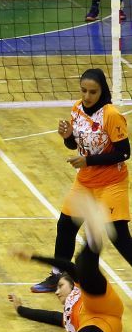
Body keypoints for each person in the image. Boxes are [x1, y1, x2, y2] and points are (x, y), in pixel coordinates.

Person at [31, 69, 132, 293]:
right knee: (66, 225)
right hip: (86, 181)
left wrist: (88, 160)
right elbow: (75, 145)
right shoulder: (77, 109)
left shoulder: (111, 115)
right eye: (84, 91)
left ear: (102, 91)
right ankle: (58, 276)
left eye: (92, 92)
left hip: (111, 182)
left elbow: (124, 153)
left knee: (119, 235)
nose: (87, 96)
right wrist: (68, 136)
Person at [10, 193, 132, 332]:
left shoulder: (79, 289)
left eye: (60, 285)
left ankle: (93, 239)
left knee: (81, 267)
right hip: (101, 325)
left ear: (73, 285)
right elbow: (49, 316)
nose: (57, 291)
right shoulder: (69, 318)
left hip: (100, 304)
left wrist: (34, 257)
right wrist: (20, 309)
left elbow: (67, 266)